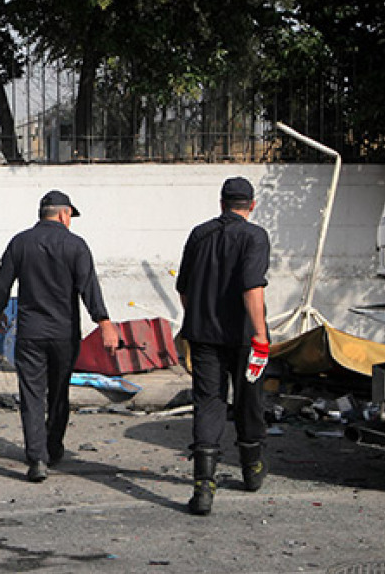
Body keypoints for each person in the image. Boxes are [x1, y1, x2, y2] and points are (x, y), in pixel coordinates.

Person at [0, 190, 119, 484]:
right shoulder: (76, 245)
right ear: (64, 214)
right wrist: (104, 321)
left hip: (31, 333)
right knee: (59, 392)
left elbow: (2, 281)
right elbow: (89, 288)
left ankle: (36, 458)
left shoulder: (20, 243)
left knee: (32, 395)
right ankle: (53, 446)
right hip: (64, 333)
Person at [176, 176, 271, 516]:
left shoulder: (199, 234)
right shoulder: (255, 236)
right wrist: (260, 333)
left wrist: (198, 317)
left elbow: (183, 287)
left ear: (221, 204)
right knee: (249, 399)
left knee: (209, 403)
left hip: (203, 335)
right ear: (252, 205)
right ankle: (251, 468)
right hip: (246, 337)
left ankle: (204, 484)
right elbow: (252, 287)